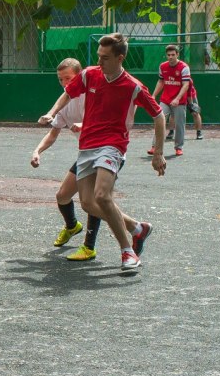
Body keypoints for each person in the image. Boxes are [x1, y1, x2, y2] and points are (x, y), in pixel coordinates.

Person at [39, 33, 166, 271]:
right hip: (87, 146)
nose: (100, 62)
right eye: (98, 56)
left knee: (101, 196)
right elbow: (68, 93)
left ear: (120, 58)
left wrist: (158, 153)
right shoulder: (89, 74)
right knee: (87, 203)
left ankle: (127, 252)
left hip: (113, 145)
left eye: (105, 58)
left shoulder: (133, 87)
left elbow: (159, 116)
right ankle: (138, 228)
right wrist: (51, 112)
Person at [31, 58, 103, 261]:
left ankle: (89, 247)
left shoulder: (93, 95)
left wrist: (85, 124)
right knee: (62, 196)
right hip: (86, 154)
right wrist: (37, 151)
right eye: (60, 79)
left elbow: (107, 120)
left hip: (104, 151)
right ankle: (72, 226)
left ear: (80, 77)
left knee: (92, 200)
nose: (64, 83)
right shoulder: (64, 103)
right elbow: (53, 134)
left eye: (68, 78)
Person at [149, 44, 191, 156]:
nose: (171, 57)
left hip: (179, 101)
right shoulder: (163, 66)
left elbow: (186, 84)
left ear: (177, 55)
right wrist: (153, 96)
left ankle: (178, 147)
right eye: (168, 55)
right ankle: (155, 147)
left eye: (173, 54)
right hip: (165, 100)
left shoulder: (184, 67)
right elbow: (161, 81)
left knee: (179, 124)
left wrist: (177, 99)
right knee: (159, 120)